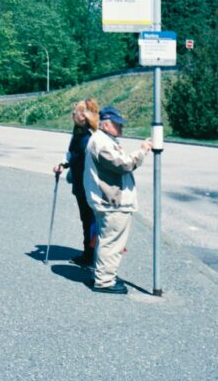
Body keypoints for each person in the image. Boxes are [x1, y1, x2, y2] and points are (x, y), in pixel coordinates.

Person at [84, 106, 152, 294]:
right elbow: (124, 164)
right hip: (112, 202)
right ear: (106, 124)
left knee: (106, 240)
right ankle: (104, 281)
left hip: (107, 201)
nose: (121, 128)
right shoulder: (102, 142)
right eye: (117, 124)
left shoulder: (102, 139)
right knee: (112, 243)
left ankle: (101, 275)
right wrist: (142, 151)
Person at [53, 98, 99, 267]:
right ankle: (89, 253)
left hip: (90, 185)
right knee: (86, 219)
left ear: (85, 116)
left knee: (91, 219)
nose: (73, 113)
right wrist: (63, 164)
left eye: (77, 111)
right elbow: (72, 153)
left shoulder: (91, 136)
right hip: (80, 183)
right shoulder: (78, 132)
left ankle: (92, 255)